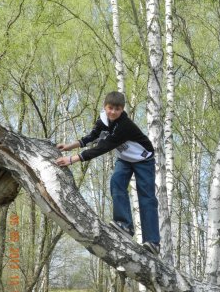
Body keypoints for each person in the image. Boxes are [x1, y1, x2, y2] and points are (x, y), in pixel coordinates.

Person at [56, 91, 160, 255]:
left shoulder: (124, 126)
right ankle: (124, 224)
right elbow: (92, 137)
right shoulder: (103, 120)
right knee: (116, 182)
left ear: (122, 110)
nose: (113, 112)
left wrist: (72, 159)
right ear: (105, 107)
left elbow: (102, 147)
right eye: (110, 108)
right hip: (125, 158)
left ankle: (153, 242)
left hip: (143, 159)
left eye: (117, 109)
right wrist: (69, 146)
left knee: (146, 198)